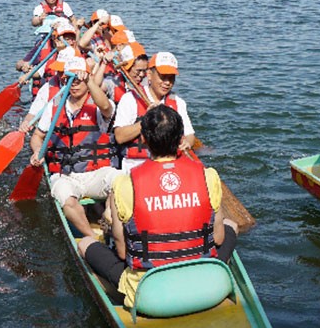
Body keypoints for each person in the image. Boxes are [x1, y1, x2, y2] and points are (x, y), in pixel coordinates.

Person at [77, 105, 238, 309]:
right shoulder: (209, 176)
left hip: (149, 293)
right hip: (208, 286)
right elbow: (219, 238)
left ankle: (116, 295)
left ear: (143, 139)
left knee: (85, 244)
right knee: (230, 225)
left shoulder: (125, 184)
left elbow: (121, 251)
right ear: (181, 139)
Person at [29, 55, 121, 236]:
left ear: (87, 80)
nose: (74, 84)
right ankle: (92, 237)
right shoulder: (54, 107)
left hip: (95, 173)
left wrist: (89, 79)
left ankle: (108, 215)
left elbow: (106, 107)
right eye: (69, 80)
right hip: (65, 175)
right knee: (67, 200)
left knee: (120, 180)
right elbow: (37, 137)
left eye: (78, 80)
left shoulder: (98, 105)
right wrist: (37, 152)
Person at [114, 52, 196, 172]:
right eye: (163, 77)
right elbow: (120, 137)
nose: (167, 82)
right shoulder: (129, 99)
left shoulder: (178, 103)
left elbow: (190, 135)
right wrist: (147, 120)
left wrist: (187, 143)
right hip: (135, 166)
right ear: (149, 75)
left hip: (168, 165)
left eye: (171, 77)